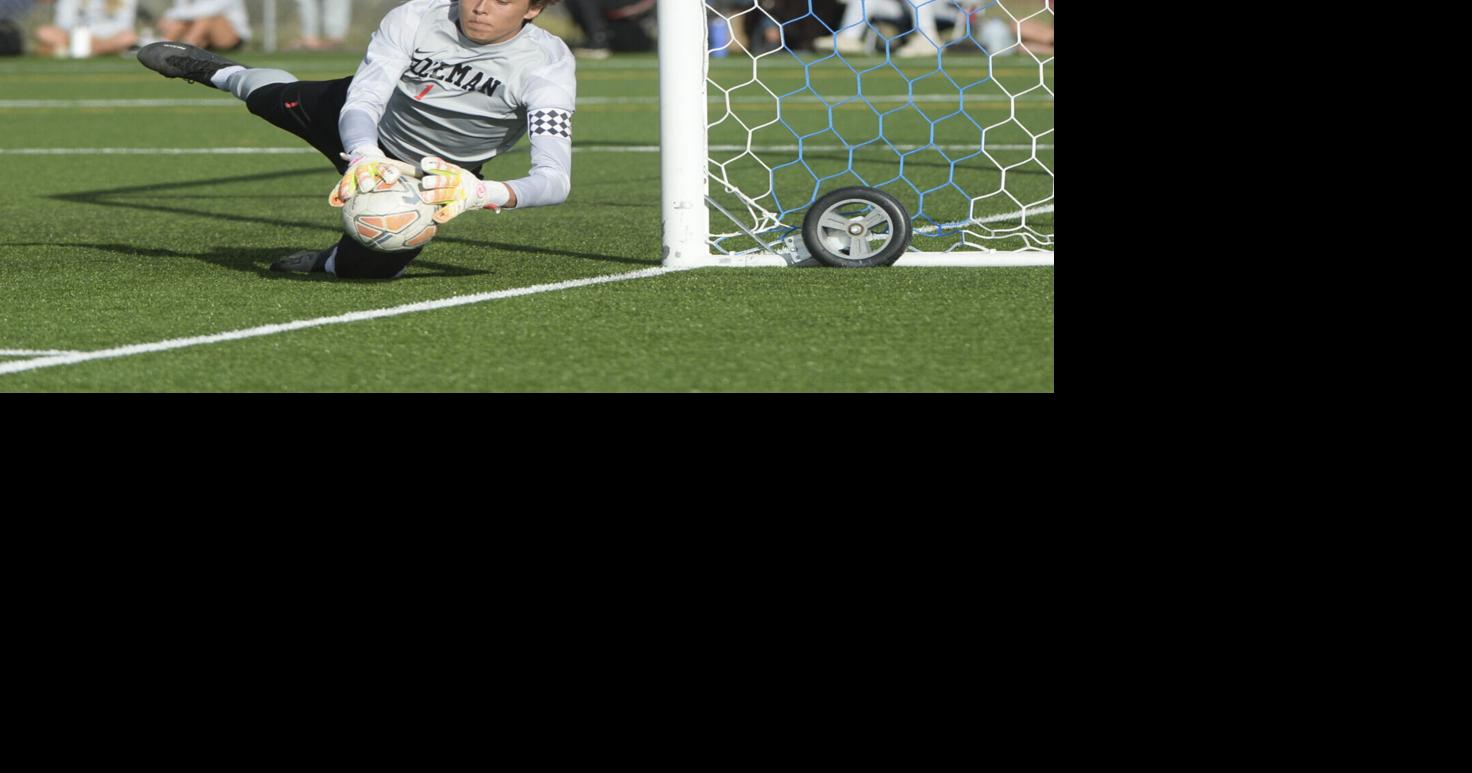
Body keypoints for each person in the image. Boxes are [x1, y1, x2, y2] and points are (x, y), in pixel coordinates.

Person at [136, 0, 575, 280]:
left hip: (432, 175)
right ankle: (219, 72)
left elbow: (554, 180)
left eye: (502, 0)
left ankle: (328, 259)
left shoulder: (547, 66)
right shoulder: (416, 17)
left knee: (363, 271)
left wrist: (480, 193)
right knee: (267, 98)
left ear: (533, 10)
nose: (480, 7)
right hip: (362, 121)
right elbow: (365, 96)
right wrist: (364, 154)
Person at [34, 0, 139, 58]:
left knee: (129, 37)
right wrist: (84, 35)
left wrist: (91, 38)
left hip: (109, 37)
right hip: (76, 35)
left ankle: (75, 50)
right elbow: (64, 21)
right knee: (43, 32)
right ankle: (104, 51)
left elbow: (124, 24)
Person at [157, 0, 249, 52]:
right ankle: (162, 45)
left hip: (232, 39)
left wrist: (171, 17)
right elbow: (180, 10)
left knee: (208, 19)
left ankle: (186, 49)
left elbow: (207, 11)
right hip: (205, 41)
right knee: (179, 22)